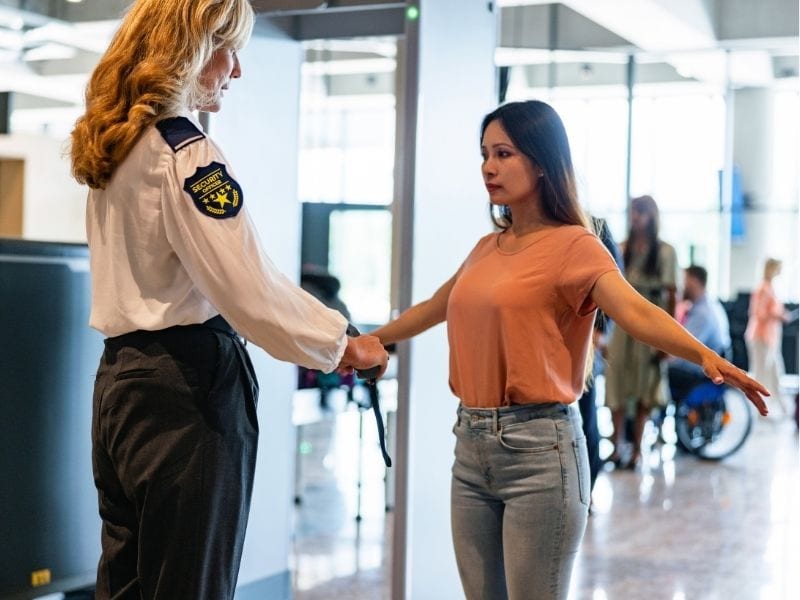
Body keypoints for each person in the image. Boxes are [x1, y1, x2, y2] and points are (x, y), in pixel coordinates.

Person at [369, 100, 768, 600]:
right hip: (470, 447)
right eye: (484, 154)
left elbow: (636, 311)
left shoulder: (576, 245)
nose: (488, 167)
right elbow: (435, 306)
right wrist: (372, 340)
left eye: (504, 153)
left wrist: (705, 355)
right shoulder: (486, 248)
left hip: (540, 452)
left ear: (541, 162)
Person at [68, 1, 388, 598]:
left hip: (120, 384)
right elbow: (248, 289)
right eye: (229, 49)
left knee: (128, 582)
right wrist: (341, 343)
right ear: (190, 48)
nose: (235, 70)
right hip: (186, 389)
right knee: (191, 583)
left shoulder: (115, 149)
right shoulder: (186, 153)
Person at [604, 194, 678, 469]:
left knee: (646, 385)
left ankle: (637, 449)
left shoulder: (665, 252)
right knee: (617, 382)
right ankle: (615, 446)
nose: (636, 218)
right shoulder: (622, 249)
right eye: (633, 212)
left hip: (652, 322)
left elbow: (672, 295)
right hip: (623, 325)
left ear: (652, 216)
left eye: (641, 212)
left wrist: (668, 339)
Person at [578, 216, 623, 500]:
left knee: (586, 417)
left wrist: (599, 332)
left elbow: (616, 290)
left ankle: (588, 492)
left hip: (586, 342)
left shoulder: (596, 228)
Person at [667, 265, 731, 404]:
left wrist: (663, 358)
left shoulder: (702, 313)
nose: (680, 286)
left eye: (683, 280)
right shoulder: (711, 305)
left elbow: (683, 348)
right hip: (710, 366)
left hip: (700, 372)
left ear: (694, 281)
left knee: (659, 372)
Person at [746, 257, 790, 414]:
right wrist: (778, 315)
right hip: (760, 338)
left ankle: (785, 409)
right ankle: (756, 411)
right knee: (760, 375)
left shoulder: (770, 288)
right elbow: (759, 313)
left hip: (770, 339)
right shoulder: (762, 289)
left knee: (775, 373)